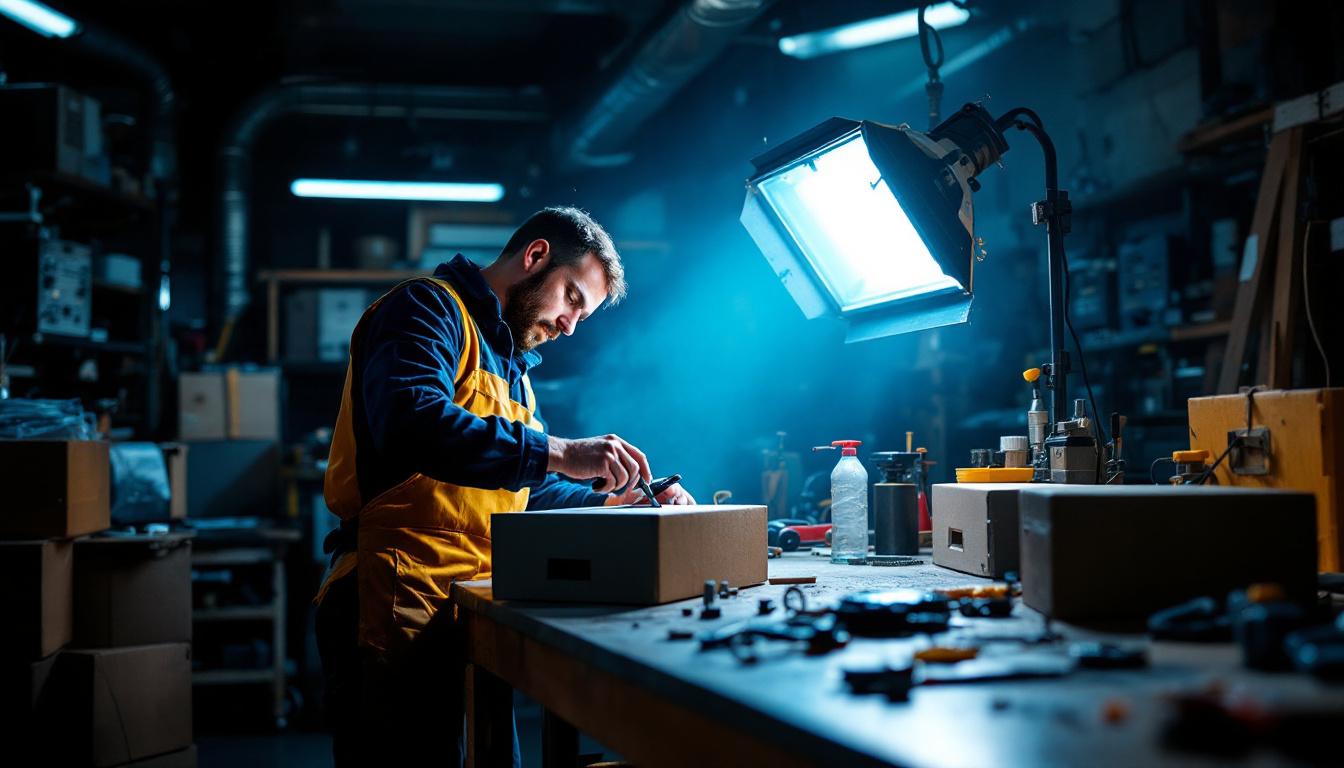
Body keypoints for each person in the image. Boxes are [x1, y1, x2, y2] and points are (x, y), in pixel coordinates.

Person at [314, 206, 693, 765]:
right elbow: (411, 422)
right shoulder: (426, 308)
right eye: (571, 297)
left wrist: (619, 503)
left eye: (581, 315)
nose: (569, 325)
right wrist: (561, 452)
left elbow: (521, 491)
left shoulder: (514, 371)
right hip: (393, 598)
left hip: (471, 606)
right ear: (535, 256)